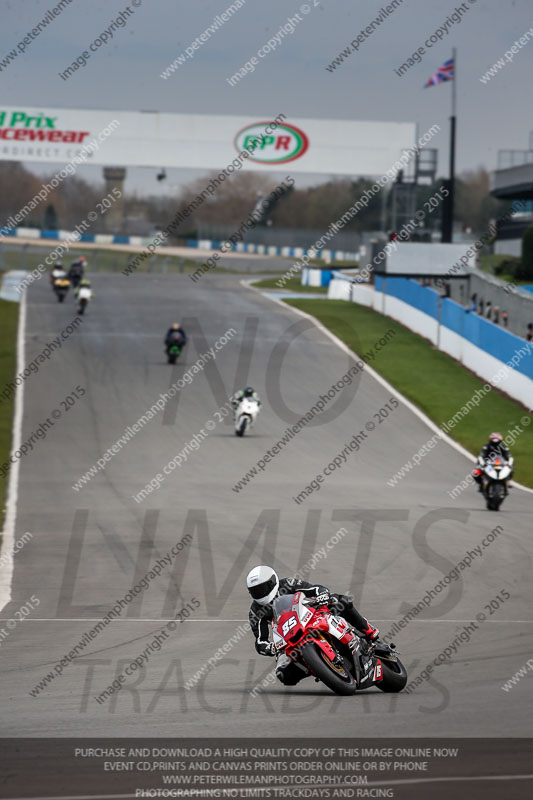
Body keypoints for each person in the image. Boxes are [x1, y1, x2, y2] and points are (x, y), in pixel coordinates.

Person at [246, 566, 379, 687]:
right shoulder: (255, 611)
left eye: (262, 589)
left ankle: (367, 629)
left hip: (308, 614)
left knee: (342, 601)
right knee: (284, 675)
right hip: (286, 635)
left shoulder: (287, 584)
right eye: (255, 591)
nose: (259, 593)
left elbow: (314, 589)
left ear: (272, 582)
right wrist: (268, 648)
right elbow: (260, 640)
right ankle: (317, 667)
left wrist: (322, 594)